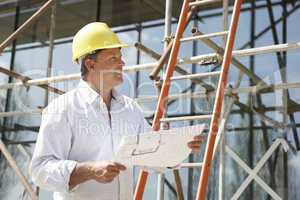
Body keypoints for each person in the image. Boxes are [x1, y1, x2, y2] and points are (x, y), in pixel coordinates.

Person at [30, 22, 204, 200]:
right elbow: (40, 170)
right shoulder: (63, 108)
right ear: (90, 64)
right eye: (113, 58)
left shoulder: (129, 108)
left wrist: (178, 146)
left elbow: (150, 155)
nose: (122, 62)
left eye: (120, 57)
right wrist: (89, 171)